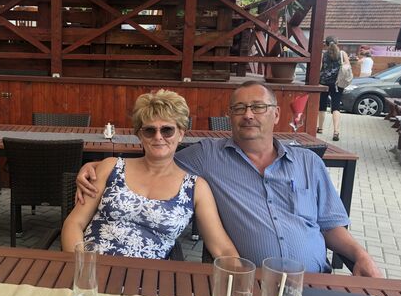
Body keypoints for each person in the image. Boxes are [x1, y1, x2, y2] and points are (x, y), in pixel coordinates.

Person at [76, 81, 381, 277]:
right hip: (255, 280)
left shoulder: (309, 163)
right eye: (239, 108)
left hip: (312, 279)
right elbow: (155, 161)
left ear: (276, 114)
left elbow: (331, 226)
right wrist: (95, 165)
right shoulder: (208, 156)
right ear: (230, 116)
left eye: (258, 107)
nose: (248, 114)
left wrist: (360, 256)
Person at [61, 90, 238, 260]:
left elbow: (222, 248)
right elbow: (74, 223)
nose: (158, 137)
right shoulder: (111, 167)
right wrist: (81, 266)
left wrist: (237, 273)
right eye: (149, 130)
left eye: (167, 130)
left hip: (147, 277)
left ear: (181, 134)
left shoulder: (196, 188)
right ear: (140, 135)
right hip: (92, 267)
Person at [318, 36, 350, 141]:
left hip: (323, 83)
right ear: (337, 43)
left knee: (322, 106)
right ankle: (336, 131)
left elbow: (319, 68)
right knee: (336, 107)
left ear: (326, 44)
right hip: (337, 84)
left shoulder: (323, 54)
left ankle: (320, 128)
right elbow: (347, 67)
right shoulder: (342, 54)